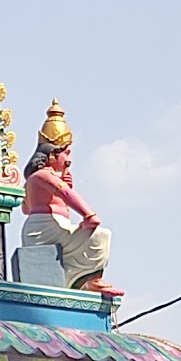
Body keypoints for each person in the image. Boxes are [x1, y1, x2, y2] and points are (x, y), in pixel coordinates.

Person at [18, 100, 120, 296]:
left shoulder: (45, 177)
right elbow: (64, 194)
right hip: (44, 230)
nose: (69, 160)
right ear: (51, 155)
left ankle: (83, 280)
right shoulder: (41, 175)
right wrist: (88, 215)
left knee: (101, 235)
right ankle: (86, 280)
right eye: (66, 153)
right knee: (100, 235)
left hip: (56, 226)